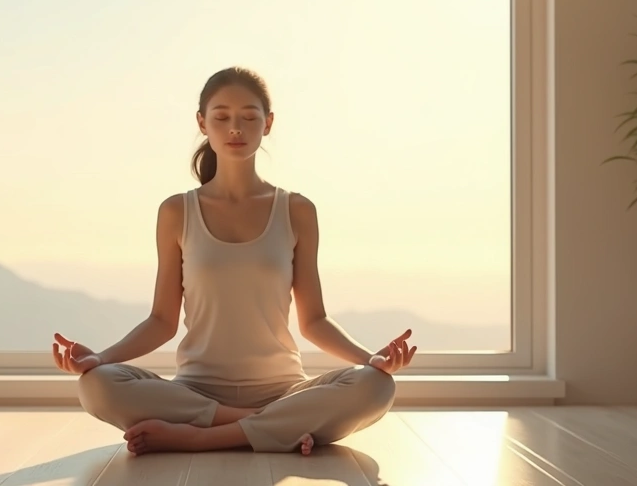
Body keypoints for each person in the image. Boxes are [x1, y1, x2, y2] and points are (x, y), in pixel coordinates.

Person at [51, 66, 417, 456]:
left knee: (377, 386)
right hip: (195, 391)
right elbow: (162, 321)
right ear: (202, 123)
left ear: (269, 123)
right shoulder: (177, 211)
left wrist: (371, 359)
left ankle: (202, 436)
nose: (235, 128)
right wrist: (99, 359)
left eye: (249, 116)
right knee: (96, 385)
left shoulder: (297, 210)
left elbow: (314, 321)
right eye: (222, 117)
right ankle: (268, 426)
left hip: (284, 390)